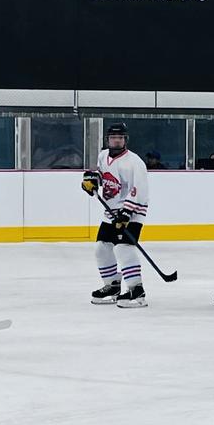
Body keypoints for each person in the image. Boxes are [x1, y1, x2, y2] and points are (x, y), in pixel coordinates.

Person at [81, 122, 150, 308]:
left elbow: (139, 189)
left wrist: (127, 212)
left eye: (120, 138)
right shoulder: (103, 156)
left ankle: (137, 290)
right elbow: (103, 175)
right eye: (113, 138)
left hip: (133, 212)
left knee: (123, 248)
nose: (117, 141)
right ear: (108, 140)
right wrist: (92, 180)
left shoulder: (134, 162)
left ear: (125, 140)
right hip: (110, 212)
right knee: (102, 248)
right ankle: (112, 285)